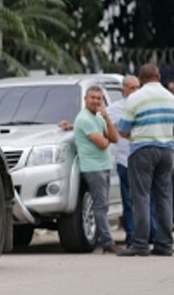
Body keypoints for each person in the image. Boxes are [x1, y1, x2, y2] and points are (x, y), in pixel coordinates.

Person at [117, 64, 174, 256]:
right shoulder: (170, 97)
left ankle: (140, 244)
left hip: (142, 150)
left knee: (141, 197)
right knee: (164, 197)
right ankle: (165, 244)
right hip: (167, 151)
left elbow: (123, 129)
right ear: (158, 77)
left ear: (140, 80)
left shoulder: (135, 98)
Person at [73, 85, 120, 253]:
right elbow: (102, 144)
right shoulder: (84, 118)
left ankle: (106, 240)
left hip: (104, 166)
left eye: (99, 98)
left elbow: (114, 138)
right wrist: (106, 138)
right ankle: (107, 243)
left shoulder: (99, 118)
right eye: (92, 98)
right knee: (100, 206)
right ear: (85, 99)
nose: (96, 101)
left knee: (103, 205)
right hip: (93, 167)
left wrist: (107, 118)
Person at [106, 75, 145, 245]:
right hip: (125, 160)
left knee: (147, 199)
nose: (136, 91)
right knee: (129, 201)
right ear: (124, 90)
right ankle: (132, 235)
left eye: (138, 87)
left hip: (145, 159)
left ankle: (149, 234)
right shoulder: (115, 109)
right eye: (132, 88)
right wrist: (72, 125)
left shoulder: (146, 106)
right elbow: (97, 122)